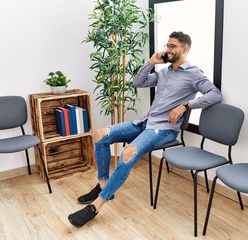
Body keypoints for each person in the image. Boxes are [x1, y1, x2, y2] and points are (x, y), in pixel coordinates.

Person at [68, 31, 223, 227]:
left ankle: (97, 206)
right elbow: (138, 82)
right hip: (146, 122)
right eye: (167, 45)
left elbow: (215, 94)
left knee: (128, 152)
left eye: (172, 46)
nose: (167, 49)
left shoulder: (194, 73)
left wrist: (186, 105)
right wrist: (150, 63)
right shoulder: (164, 72)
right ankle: (103, 185)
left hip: (165, 129)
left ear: (185, 49)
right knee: (100, 134)